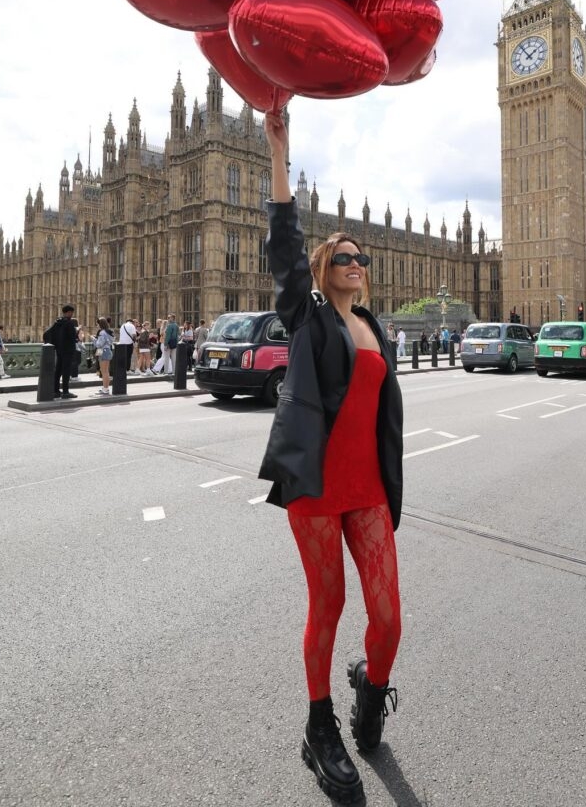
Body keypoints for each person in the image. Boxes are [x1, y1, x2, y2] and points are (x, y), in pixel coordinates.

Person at [259, 113, 403, 805]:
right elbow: (284, 247)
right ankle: (320, 728)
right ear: (323, 272)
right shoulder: (309, 315)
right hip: (317, 487)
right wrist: (279, 156)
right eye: (343, 255)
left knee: (388, 617)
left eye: (360, 257)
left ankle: (370, 696)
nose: (354, 263)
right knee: (330, 603)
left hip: (368, 486)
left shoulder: (375, 327)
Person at [46, 304, 78, 399]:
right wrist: (76, 332)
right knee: (66, 371)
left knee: (58, 370)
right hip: (68, 350)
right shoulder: (69, 323)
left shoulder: (57, 322)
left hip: (59, 350)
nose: (72, 314)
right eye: (71, 312)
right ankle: (65, 392)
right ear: (68, 312)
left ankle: (55, 391)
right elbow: (73, 337)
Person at [94, 318, 115, 394]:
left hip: (103, 351)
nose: (97, 325)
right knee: (106, 371)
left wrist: (94, 340)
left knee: (104, 372)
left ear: (100, 324)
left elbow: (99, 344)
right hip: (108, 351)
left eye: (97, 324)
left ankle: (105, 389)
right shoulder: (109, 332)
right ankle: (105, 388)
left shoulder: (102, 332)